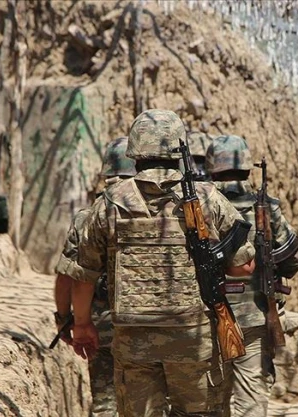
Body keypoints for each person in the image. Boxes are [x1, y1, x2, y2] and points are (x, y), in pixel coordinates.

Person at [70, 109, 256, 417]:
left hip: (133, 342)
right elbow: (243, 267)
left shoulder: (110, 202)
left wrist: (81, 324)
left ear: (134, 149)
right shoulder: (207, 197)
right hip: (193, 341)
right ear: (179, 150)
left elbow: (83, 275)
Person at [205, 134, 298, 417]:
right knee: (251, 402)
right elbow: (294, 257)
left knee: (210, 402)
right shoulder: (266, 206)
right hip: (254, 317)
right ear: (248, 168)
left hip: (207, 317)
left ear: (211, 169)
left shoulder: (199, 207)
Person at [53, 136, 135, 417]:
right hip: (151, 322)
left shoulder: (88, 216)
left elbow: (68, 276)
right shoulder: (160, 215)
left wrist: (66, 319)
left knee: (106, 403)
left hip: (102, 323)